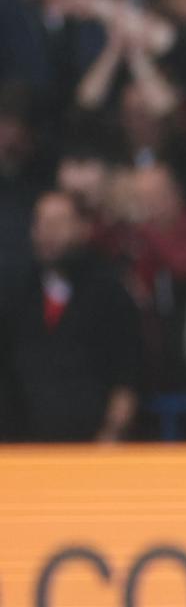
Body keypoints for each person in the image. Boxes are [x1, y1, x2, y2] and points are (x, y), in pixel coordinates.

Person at [0, 189, 142, 442]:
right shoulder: (16, 292)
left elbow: (129, 372)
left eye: (58, 223)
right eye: (41, 223)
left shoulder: (110, 291)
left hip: (92, 446)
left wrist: (111, 434)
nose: (48, 233)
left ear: (83, 228)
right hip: (22, 448)